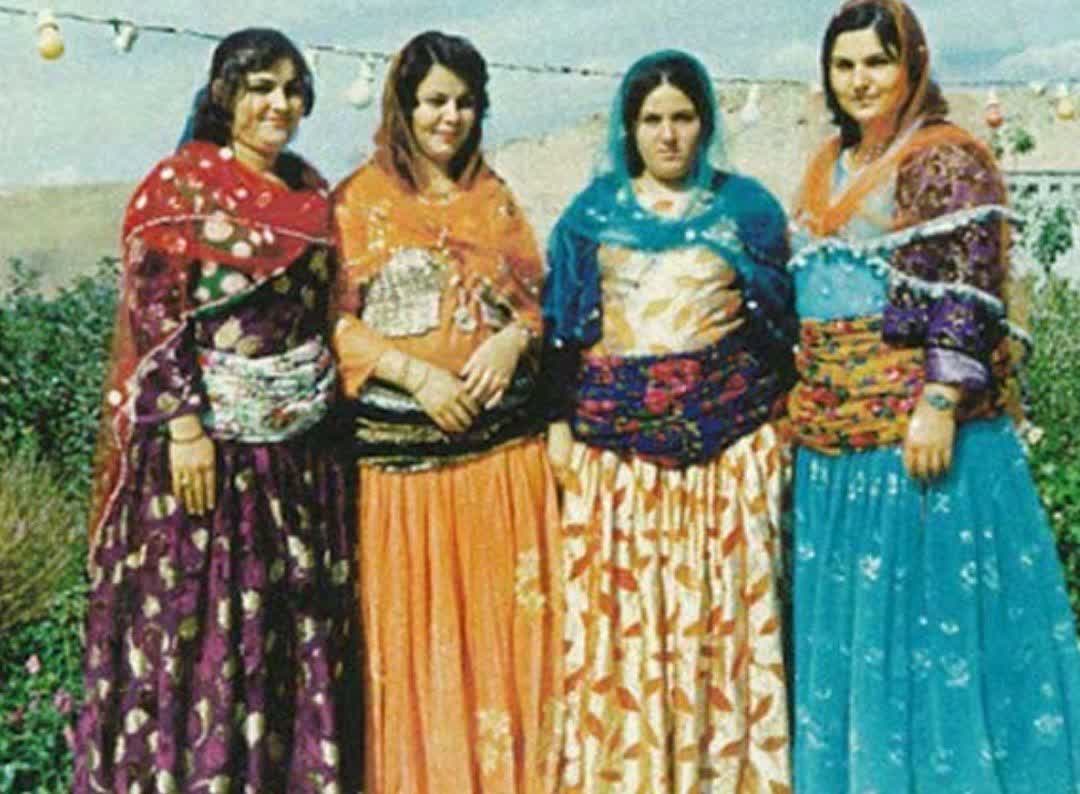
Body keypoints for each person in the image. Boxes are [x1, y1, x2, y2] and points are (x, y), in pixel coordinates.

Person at [788, 2, 1080, 790]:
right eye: (844, 65)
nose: (860, 81)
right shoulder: (826, 165)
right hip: (837, 443)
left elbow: (968, 283)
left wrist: (941, 400)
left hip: (915, 441)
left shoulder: (947, 158)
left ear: (910, 65)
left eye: (876, 62)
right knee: (863, 637)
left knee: (930, 633)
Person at [74, 28, 358, 794]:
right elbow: (155, 308)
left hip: (298, 462)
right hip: (207, 462)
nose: (279, 103)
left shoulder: (310, 192)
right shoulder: (179, 187)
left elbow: (328, 309)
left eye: (292, 88)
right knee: (202, 632)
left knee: (287, 633)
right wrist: (185, 426)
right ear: (225, 93)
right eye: (261, 86)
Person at [542, 50, 796, 793]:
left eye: (683, 117)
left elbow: (780, 331)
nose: (668, 134)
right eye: (652, 119)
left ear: (705, 123)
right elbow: (562, 334)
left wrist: (772, 431)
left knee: (720, 629)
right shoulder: (591, 218)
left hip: (727, 463)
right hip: (622, 471)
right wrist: (558, 425)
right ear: (629, 128)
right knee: (631, 632)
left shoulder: (747, 211)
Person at [332, 30, 563, 794]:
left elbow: (537, 305)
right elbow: (331, 322)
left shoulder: (494, 200)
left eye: (465, 102)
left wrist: (512, 340)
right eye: (434, 101)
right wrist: (416, 378)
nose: (450, 117)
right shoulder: (358, 203)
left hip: (502, 470)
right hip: (406, 483)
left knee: (510, 647)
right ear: (402, 107)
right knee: (421, 653)